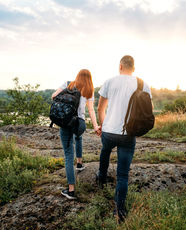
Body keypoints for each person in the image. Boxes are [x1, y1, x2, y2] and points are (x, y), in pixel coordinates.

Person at [97, 55, 152, 221]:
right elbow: (148, 110)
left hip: (108, 131)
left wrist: (103, 125)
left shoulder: (109, 81)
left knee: (105, 152)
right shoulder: (143, 84)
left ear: (120, 66)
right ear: (133, 68)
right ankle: (119, 211)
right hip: (128, 134)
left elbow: (100, 108)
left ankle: (101, 178)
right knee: (122, 175)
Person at [52, 69, 101, 200]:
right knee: (78, 137)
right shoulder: (89, 90)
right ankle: (79, 163)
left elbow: (53, 96)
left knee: (68, 155)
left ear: (77, 76)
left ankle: (71, 190)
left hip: (66, 121)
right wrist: (96, 126)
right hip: (79, 123)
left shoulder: (68, 84)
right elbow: (91, 110)